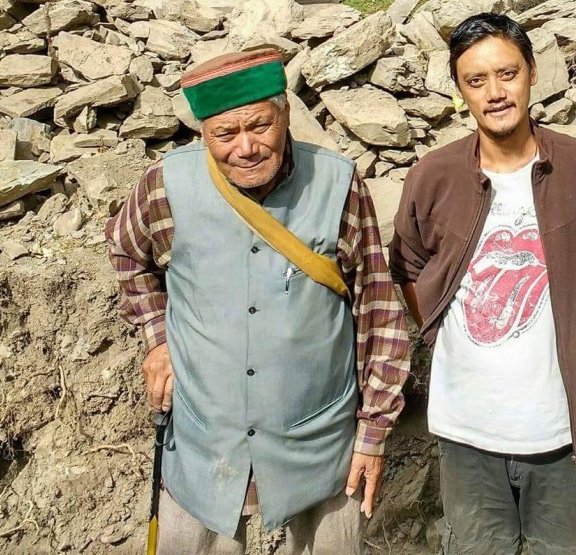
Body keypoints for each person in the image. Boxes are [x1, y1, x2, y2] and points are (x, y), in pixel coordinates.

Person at [107, 47, 410, 555]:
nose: (246, 148)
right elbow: (126, 252)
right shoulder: (165, 185)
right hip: (205, 445)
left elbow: (378, 310)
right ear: (203, 133)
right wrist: (157, 338)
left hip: (319, 444)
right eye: (225, 134)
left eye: (260, 126)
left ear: (285, 113)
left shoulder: (337, 184)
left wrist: (373, 431)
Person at [389, 13, 576, 555]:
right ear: (460, 89)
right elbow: (408, 264)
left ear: (533, 72)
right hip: (466, 433)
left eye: (507, 74)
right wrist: (439, 334)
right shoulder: (434, 176)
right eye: (476, 80)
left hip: (562, 433)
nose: (494, 93)